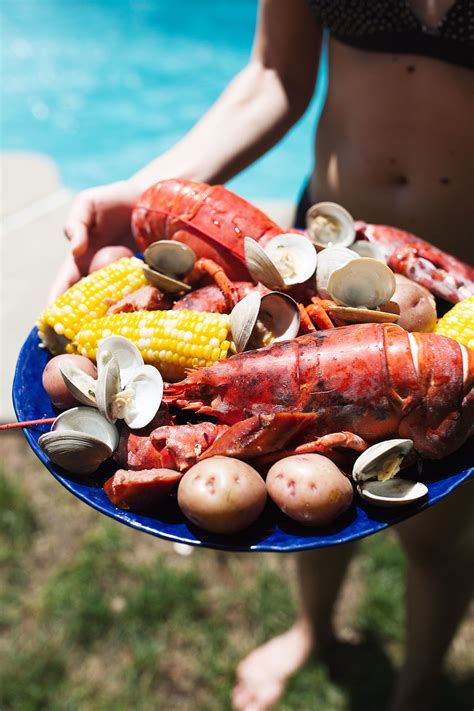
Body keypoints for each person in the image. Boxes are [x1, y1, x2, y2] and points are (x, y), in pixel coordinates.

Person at [51, 2, 474, 709]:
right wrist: (144, 191)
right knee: (312, 494)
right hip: (322, 266)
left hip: (464, 304)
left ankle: (417, 687)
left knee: (440, 541)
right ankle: (313, 628)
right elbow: (274, 73)